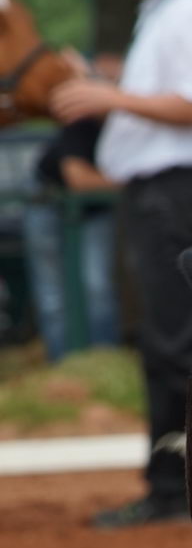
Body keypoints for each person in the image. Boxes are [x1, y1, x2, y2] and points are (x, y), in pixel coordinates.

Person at [52, 0, 192, 528]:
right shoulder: (165, 12)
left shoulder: (190, 12)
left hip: (178, 190)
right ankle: (177, 481)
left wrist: (111, 95)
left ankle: (184, 487)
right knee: (166, 339)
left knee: (180, 340)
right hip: (160, 191)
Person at [22, 53, 122, 361]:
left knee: (97, 287)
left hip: (93, 208)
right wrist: (138, 183)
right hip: (47, 199)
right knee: (53, 294)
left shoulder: (139, 116)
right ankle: (64, 367)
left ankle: (102, 364)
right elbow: (78, 178)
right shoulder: (84, 114)